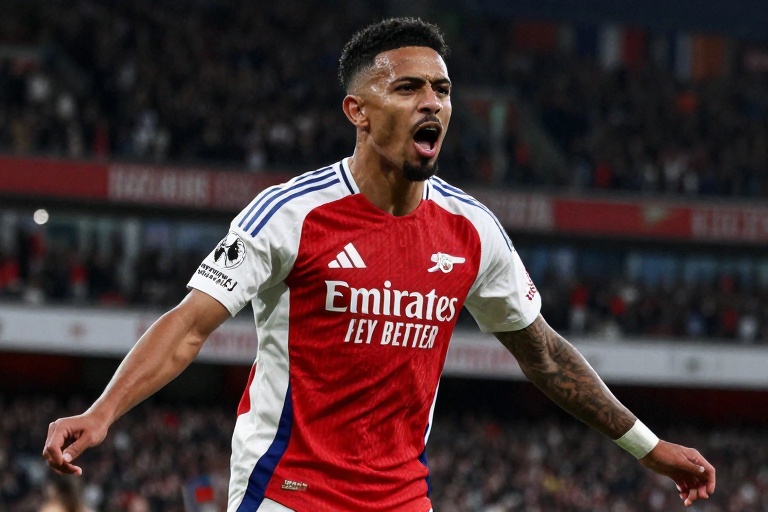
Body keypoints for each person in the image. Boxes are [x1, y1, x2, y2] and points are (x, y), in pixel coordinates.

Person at [43, 17, 716, 511]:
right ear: (357, 111)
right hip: (288, 491)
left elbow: (542, 354)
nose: (432, 102)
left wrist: (648, 446)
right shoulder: (290, 213)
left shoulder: (472, 229)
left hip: (402, 498)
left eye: (443, 89)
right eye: (409, 87)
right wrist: (102, 413)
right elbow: (190, 326)